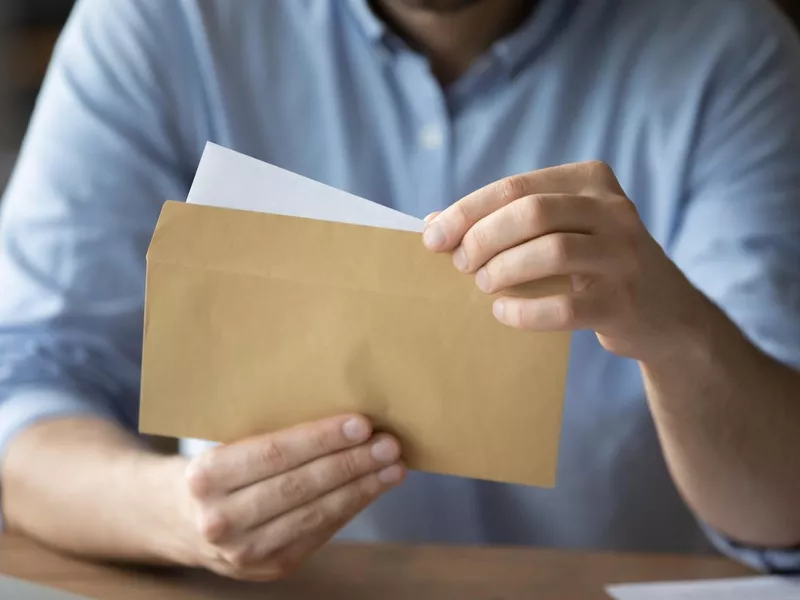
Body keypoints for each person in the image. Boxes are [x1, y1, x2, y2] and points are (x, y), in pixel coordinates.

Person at [1, 0, 799, 581]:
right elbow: (26, 383)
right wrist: (177, 511)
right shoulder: (160, 24)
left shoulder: (731, 51)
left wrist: (677, 331)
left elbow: (785, 511)